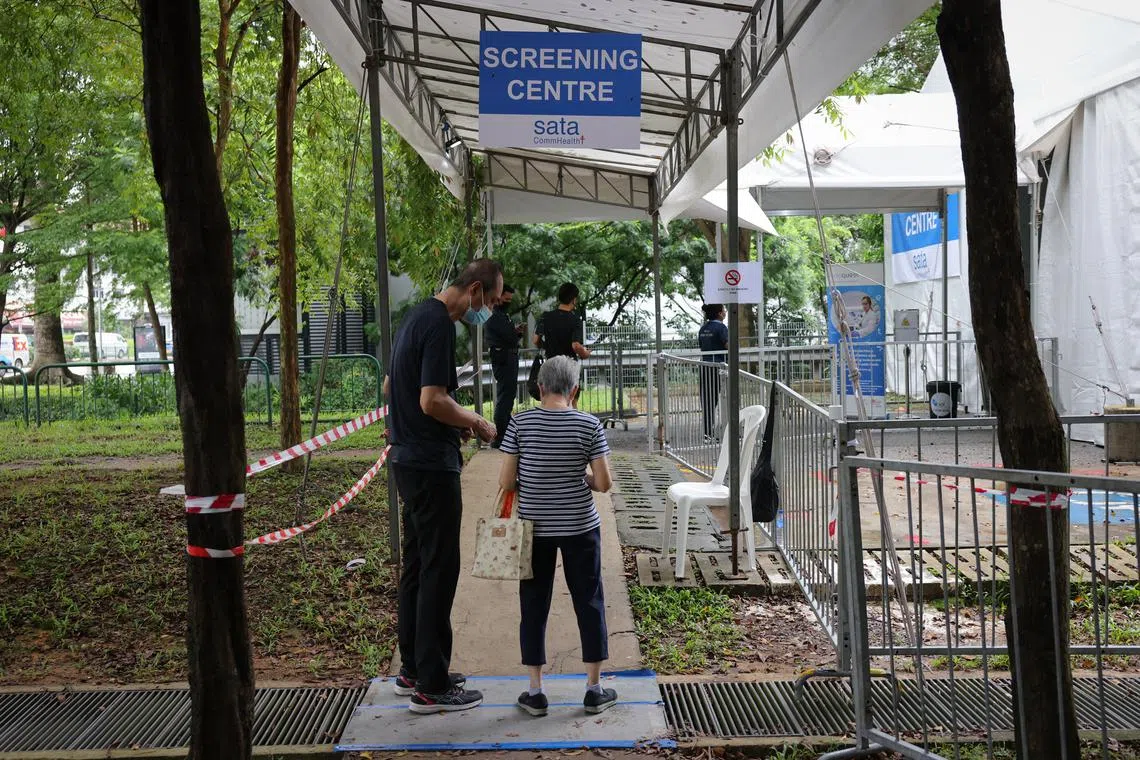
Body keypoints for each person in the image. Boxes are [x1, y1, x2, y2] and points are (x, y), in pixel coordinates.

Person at [385, 259, 503, 714]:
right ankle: (432, 686)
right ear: (474, 290)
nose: (487, 312)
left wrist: (421, 422)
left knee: (417, 566)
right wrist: (475, 419)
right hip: (431, 467)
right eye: (489, 302)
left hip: (408, 460)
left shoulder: (414, 317)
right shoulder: (439, 326)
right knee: (439, 568)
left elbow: (391, 385)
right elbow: (432, 399)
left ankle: (414, 667)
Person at [497, 355, 617, 717]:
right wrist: (580, 478)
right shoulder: (588, 425)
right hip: (581, 526)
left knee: (533, 603)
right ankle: (594, 689)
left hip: (534, 527)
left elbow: (506, 482)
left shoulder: (520, 423)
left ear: (540, 387)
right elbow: (604, 483)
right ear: (575, 390)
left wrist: (535, 481)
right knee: (589, 600)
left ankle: (535, 692)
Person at [535, 282, 591, 407]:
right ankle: (571, 425)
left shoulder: (546, 317)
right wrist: (585, 353)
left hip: (551, 365)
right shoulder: (575, 319)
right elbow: (576, 346)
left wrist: (546, 346)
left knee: (550, 400)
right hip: (569, 367)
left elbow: (535, 340)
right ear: (574, 299)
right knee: (572, 401)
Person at [485, 284, 524, 448]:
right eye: (506, 299)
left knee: (508, 396)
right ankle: (501, 435)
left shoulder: (502, 315)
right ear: (499, 296)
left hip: (508, 358)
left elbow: (509, 336)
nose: (508, 302)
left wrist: (515, 332)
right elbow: (509, 337)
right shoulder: (495, 316)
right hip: (504, 359)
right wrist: (515, 334)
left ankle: (505, 433)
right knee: (505, 397)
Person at [697, 303, 728, 442]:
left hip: (705, 366)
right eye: (724, 310)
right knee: (725, 399)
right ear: (720, 313)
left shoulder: (703, 329)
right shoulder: (721, 328)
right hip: (719, 368)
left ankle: (707, 434)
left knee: (708, 401)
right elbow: (728, 345)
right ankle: (730, 433)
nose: (726, 312)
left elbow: (702, 346)